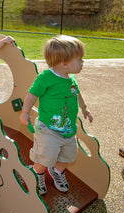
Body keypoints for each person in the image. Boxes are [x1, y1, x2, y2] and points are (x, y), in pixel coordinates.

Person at [19, 35, 93, 195]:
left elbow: (77, 94)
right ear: (64, 64)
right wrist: (25, 112)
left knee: (67, 156)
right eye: (79, 59)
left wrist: (84, 108)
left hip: (68, 130)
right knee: (44, 157)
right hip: (48, 129)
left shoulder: (71, 78)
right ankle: (37, 174)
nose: (83, 62)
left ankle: (57, 173)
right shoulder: (46, 78)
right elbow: (32, 95)